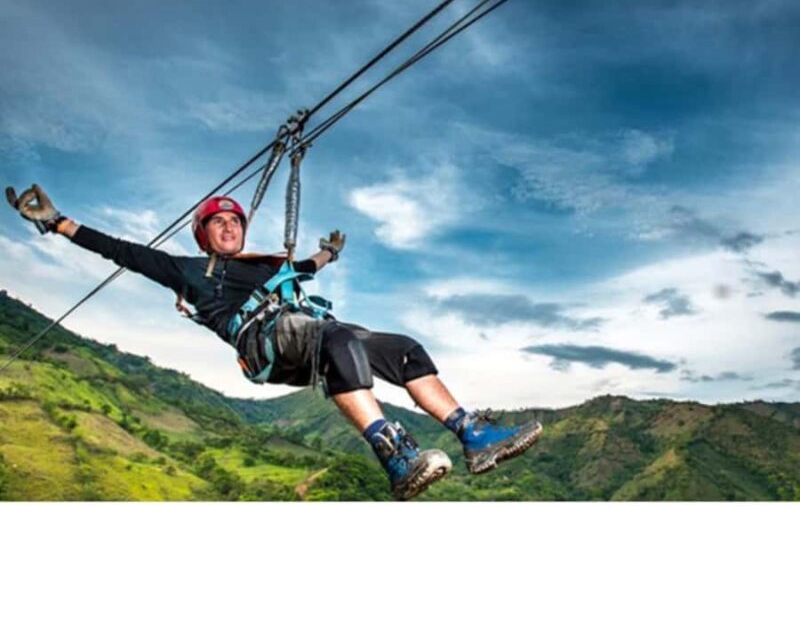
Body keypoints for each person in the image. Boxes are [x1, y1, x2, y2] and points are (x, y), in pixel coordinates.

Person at [6, 184, 543, 500]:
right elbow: (121, 251)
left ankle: (471, 435)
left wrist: (327, 255)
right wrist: (57, 223)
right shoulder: (189, 272)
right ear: (203, 235)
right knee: (336, 338)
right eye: (217, 224)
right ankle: (394, 454)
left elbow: (304, 268)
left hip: (306, 334)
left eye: (233, 222)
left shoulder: (267, 266)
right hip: (268, 343)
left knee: (402, 347)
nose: (227, 228)